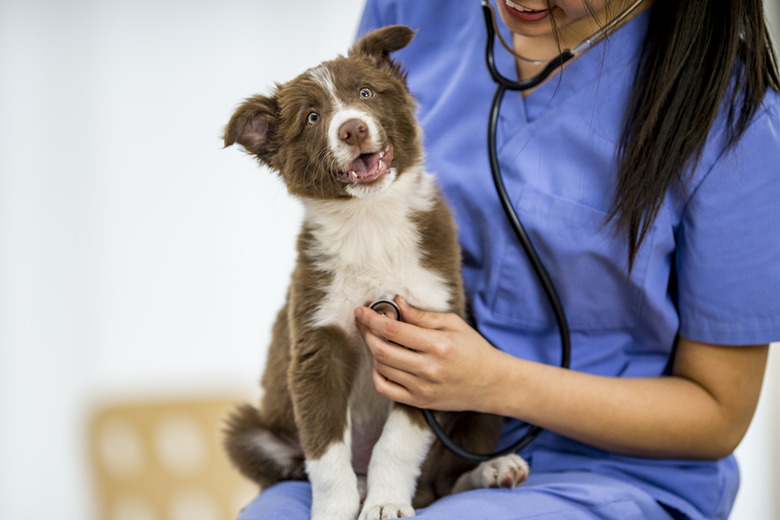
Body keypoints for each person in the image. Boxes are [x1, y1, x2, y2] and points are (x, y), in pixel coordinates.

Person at [237, 1, 780, 519]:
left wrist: (493, 382)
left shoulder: (734, 116)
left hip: (609, 469)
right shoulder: (412, 9)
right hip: (399, 441)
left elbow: (719, 412)